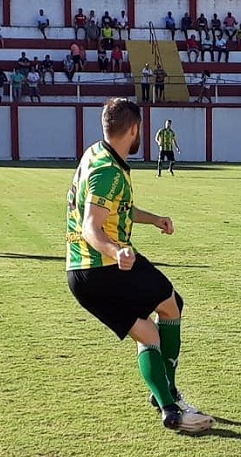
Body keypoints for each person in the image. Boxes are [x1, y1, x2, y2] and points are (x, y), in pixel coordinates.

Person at [65, 98, 214, 434]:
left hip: (83, 273)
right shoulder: (108, 171)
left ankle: (167, 403)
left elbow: (115, 208)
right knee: (167, 311)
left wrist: (154, 219)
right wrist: (115, 251)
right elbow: (91, 226)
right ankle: (170, 399)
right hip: (105, 267)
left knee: (152, 326)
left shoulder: (95, 154)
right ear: (134, 129)